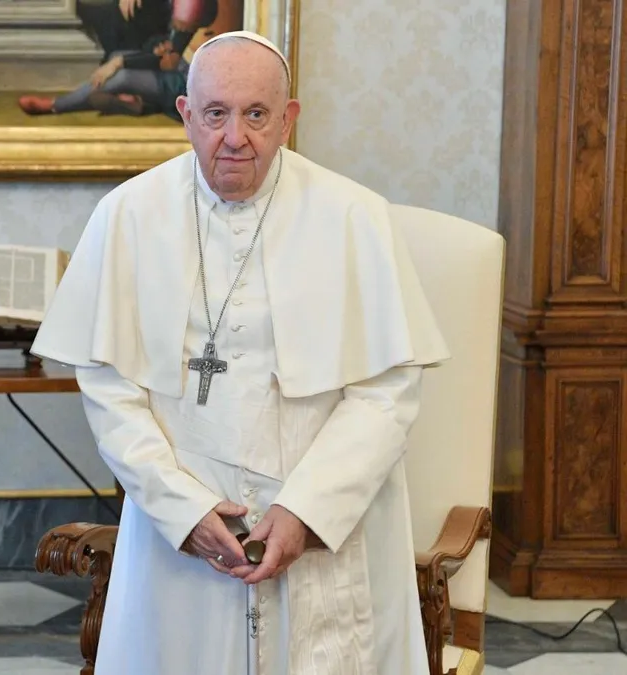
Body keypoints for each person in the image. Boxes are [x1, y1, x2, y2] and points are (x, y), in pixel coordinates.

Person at [30, 31, 450, 675]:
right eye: (215, 113)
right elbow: (110, 389)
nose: (234, 137)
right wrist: (182, 507)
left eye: (256, 114)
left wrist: (307, 509)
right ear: (185, 114)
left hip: (327, 528)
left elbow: (387, 391)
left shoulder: (354, 217)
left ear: (288, 119)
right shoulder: (129, 216)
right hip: (183, 533)